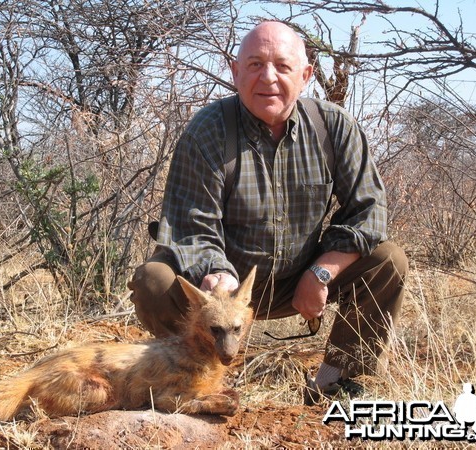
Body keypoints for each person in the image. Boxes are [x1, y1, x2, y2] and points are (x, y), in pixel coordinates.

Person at [128, 21, 408, 404]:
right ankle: (193, 378)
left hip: (302, 280)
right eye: (255, 64)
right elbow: (191, 229)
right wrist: (219, 279)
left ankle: (335, 382)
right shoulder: (207, 131)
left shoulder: (333, 125)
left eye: (282, 66)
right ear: (236, 71)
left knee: (387, 259)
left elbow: (369, 211)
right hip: (225, 288)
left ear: (306, 75)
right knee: (154, 279)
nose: (268, 78)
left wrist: (321, 272)